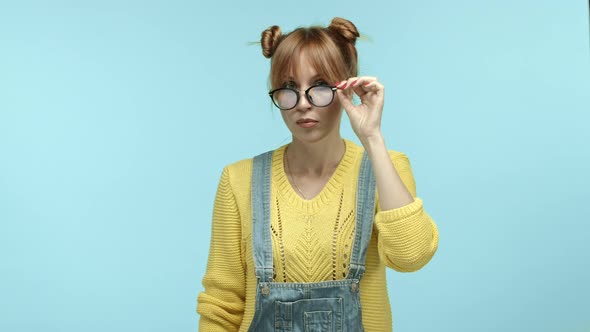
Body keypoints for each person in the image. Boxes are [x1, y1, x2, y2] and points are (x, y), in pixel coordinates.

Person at [196, 17, 439, 332]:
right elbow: (220, 305)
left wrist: (372, 138)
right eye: (289, 88)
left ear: (346, 88)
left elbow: (412, 256)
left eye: (320, 87)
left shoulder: (385, 167)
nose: (303, 104)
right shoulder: (238, 180)